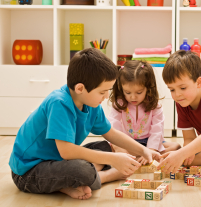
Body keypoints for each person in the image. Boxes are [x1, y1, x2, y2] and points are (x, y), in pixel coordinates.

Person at [9, 48, 161, 200]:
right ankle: (104, 175)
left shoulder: (91, 103)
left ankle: (69, 183)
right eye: (102, 92)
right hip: (28, 171)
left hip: (57, 161)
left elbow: (112, 134)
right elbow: (67, 152)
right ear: (80, 88)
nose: (106, 96)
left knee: (106, 146)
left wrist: (143, 150)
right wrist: (113, 160)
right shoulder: (59, 103)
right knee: (84, 170)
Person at [108, 60, 180, 163]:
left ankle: (141, 157)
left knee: (176, 146)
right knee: (109, 147)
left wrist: (151, 150)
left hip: (148, 142)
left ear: (148, 88)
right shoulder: (120, 103)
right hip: (129, 142)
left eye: (139, 92)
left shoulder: (155, 106)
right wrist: (120, 147)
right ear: (121, 88)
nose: (133, 97)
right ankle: (138, 157)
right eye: (127, 92)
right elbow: (113, 125)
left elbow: (157, 130)